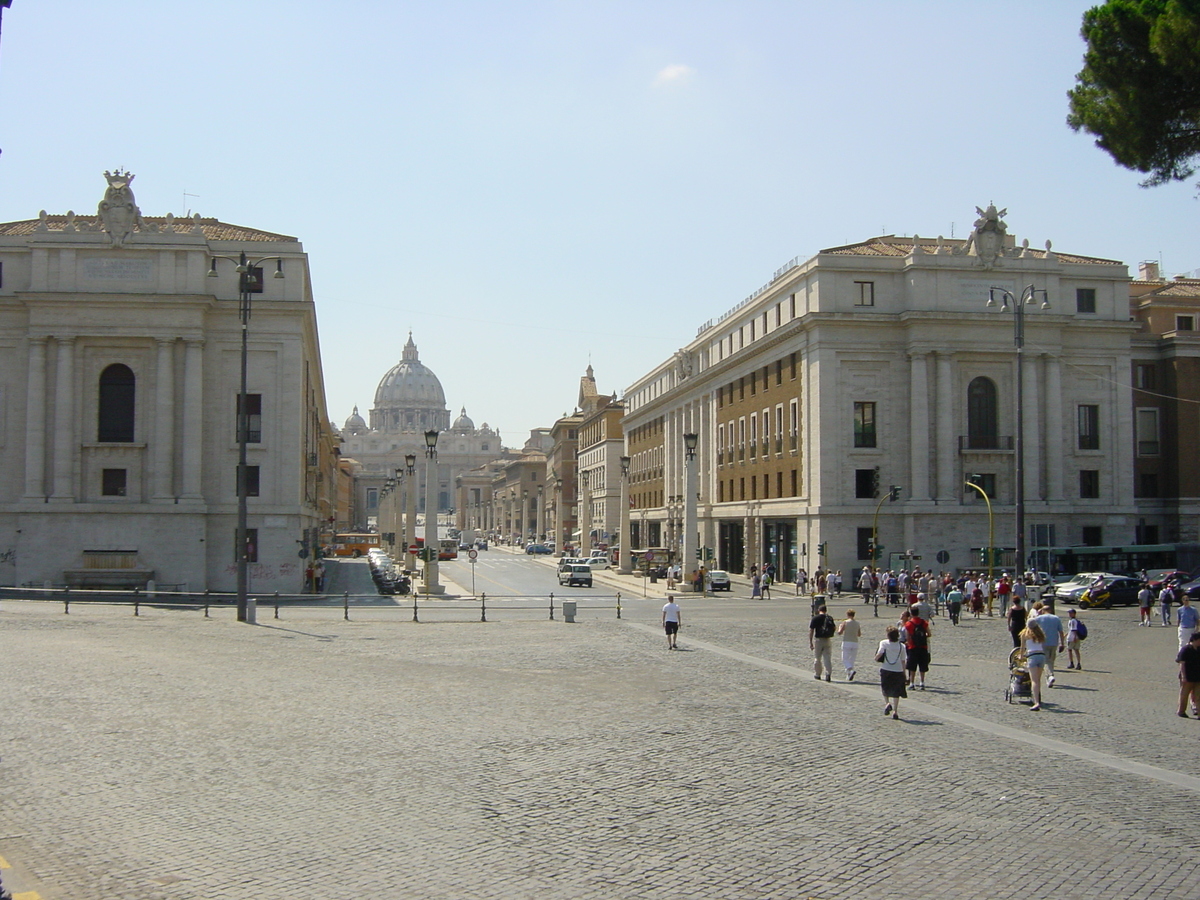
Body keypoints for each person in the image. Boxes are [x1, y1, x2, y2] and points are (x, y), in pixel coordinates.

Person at [876, 626, 908, 719]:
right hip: (898, 670)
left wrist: (876, 658)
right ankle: (895, 711)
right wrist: (904, 673)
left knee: (885, 688)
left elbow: (879, 653)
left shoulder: (884, 643)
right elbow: (903, 661)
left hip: (886, 668)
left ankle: (887, 703)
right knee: (896, 692)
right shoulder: (902, 646)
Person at [1030, 603, 1065, 686]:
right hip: (1054, 642)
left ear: (1042, 610)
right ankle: (1049, 677)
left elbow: (1032, 628)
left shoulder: (1039, 618)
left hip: (1043, 642)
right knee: (1051, 660)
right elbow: (1061, 632)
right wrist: (1062, 643)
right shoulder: (1056, 618)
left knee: (1046, 661)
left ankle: (1050, 676)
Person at [1020, 620, 1048, 711]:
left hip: (1032, 656)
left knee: (1034, 681)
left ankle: (1036, 702)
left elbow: (1022, 648)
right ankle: (1037, 698)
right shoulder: (1040, 634)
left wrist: (1021, 656)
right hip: (1041, 656)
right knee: (1038, 680)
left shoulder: (1025, 634)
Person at [904, 604, 932, 690]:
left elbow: (907, 637)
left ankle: (912, 683)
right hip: (923, 646)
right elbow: (929, 634)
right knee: (922, 665)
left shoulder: (909, 624)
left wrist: (909, 643)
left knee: (912, 666)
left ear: (911, 614)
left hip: (913, 647)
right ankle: (922, 682)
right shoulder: (924, 622)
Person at [809, 603, 837, 681]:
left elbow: (811, 630)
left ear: (819, 610)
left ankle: (818, 674)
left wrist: (811, 642)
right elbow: (834, 628)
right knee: (827, 658)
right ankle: (828, 674)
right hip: (827, 639)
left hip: (818, 640)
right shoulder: (830, 618)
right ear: (826, 610)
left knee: (817, 658)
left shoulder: (815, 618)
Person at [1176, 631, 1200, 718]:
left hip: (1197, 676)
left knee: (1198, 695)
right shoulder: (1185, 649)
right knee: (1184, 695)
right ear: (1194, 640)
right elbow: (1182, 663)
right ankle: (1181, 711)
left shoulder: (1198, 649)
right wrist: (1183, 676)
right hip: (1188, 676)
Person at [837, 609, 862, 681]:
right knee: (852, 659)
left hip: (847, 642)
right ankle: (849, 674)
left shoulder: (845, 622)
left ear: (847, 615)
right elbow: (859, 634)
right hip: (855, 642)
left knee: (844, 658)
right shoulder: (857, 623)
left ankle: (850, 670)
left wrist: (839, 627)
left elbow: (840, 632)